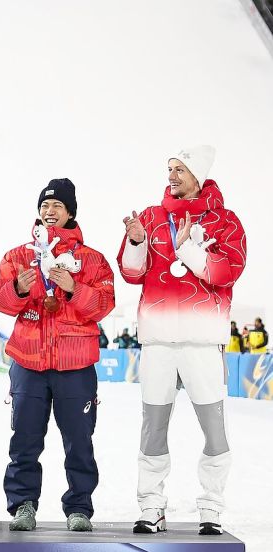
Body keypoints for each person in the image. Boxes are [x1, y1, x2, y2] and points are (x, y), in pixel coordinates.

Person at [119, 146, 246, 536]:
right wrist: (137, 242)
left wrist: (187, 246)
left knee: (214, 430)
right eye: (169, 168)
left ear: (198, 175)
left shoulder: (226, 222)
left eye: (179, 169)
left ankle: (211, 507)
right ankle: (152, 507)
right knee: (152, 429)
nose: (171, 175)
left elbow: (226, 272)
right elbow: (130, 272)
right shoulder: (151, 217)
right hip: (158, 341)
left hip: (201, 341)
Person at [0, 179, 115, 532]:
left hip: (75, 366)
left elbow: (104, 305)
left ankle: (79, 508)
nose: (50, 211)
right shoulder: (18, 256)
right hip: (28, 362)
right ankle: (23, 505)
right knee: (24, 439)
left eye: (57, 206)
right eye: (45, 206)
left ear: (70, 212)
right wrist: (18, 288)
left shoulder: (92, 261)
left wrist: (74, 288)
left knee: (79, 441)